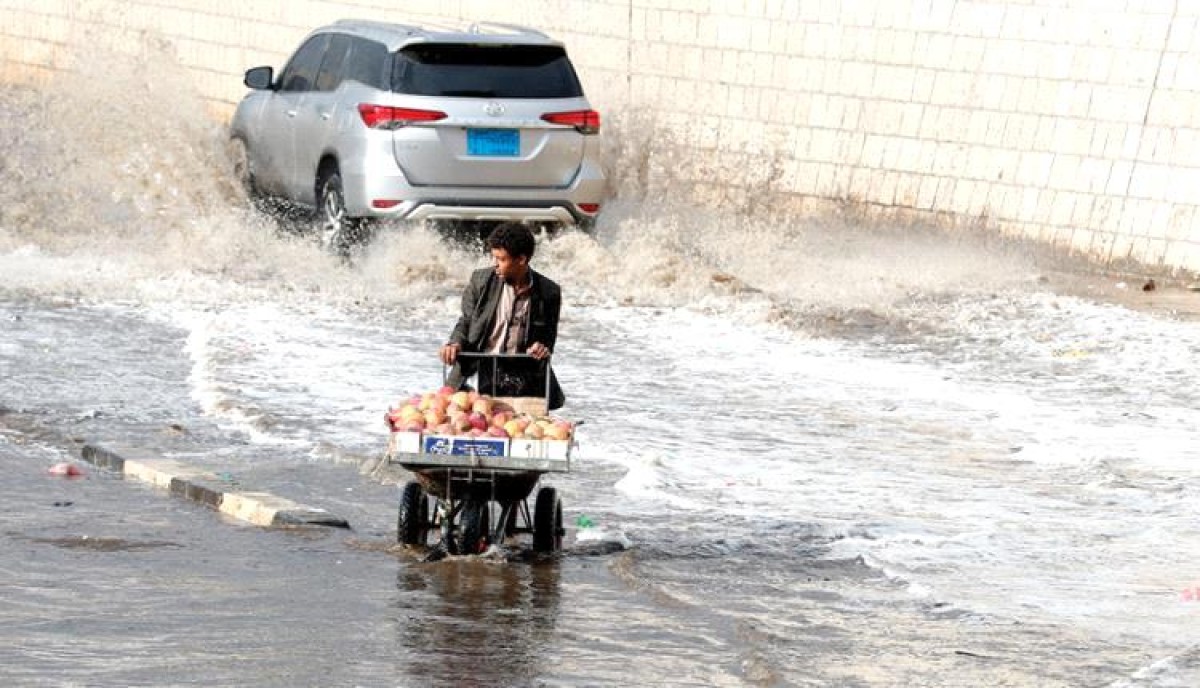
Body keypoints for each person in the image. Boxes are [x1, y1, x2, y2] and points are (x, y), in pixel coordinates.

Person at [439, 223, 565, 410]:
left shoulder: (549, 292)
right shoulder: (480, 281)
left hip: (523, 378)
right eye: (494, 258)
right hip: (481, 370)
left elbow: (547, 338)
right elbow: (466, 321)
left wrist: (540, 348)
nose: (495, 264)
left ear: (521, 259)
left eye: (501, 259)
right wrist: (454, 343)